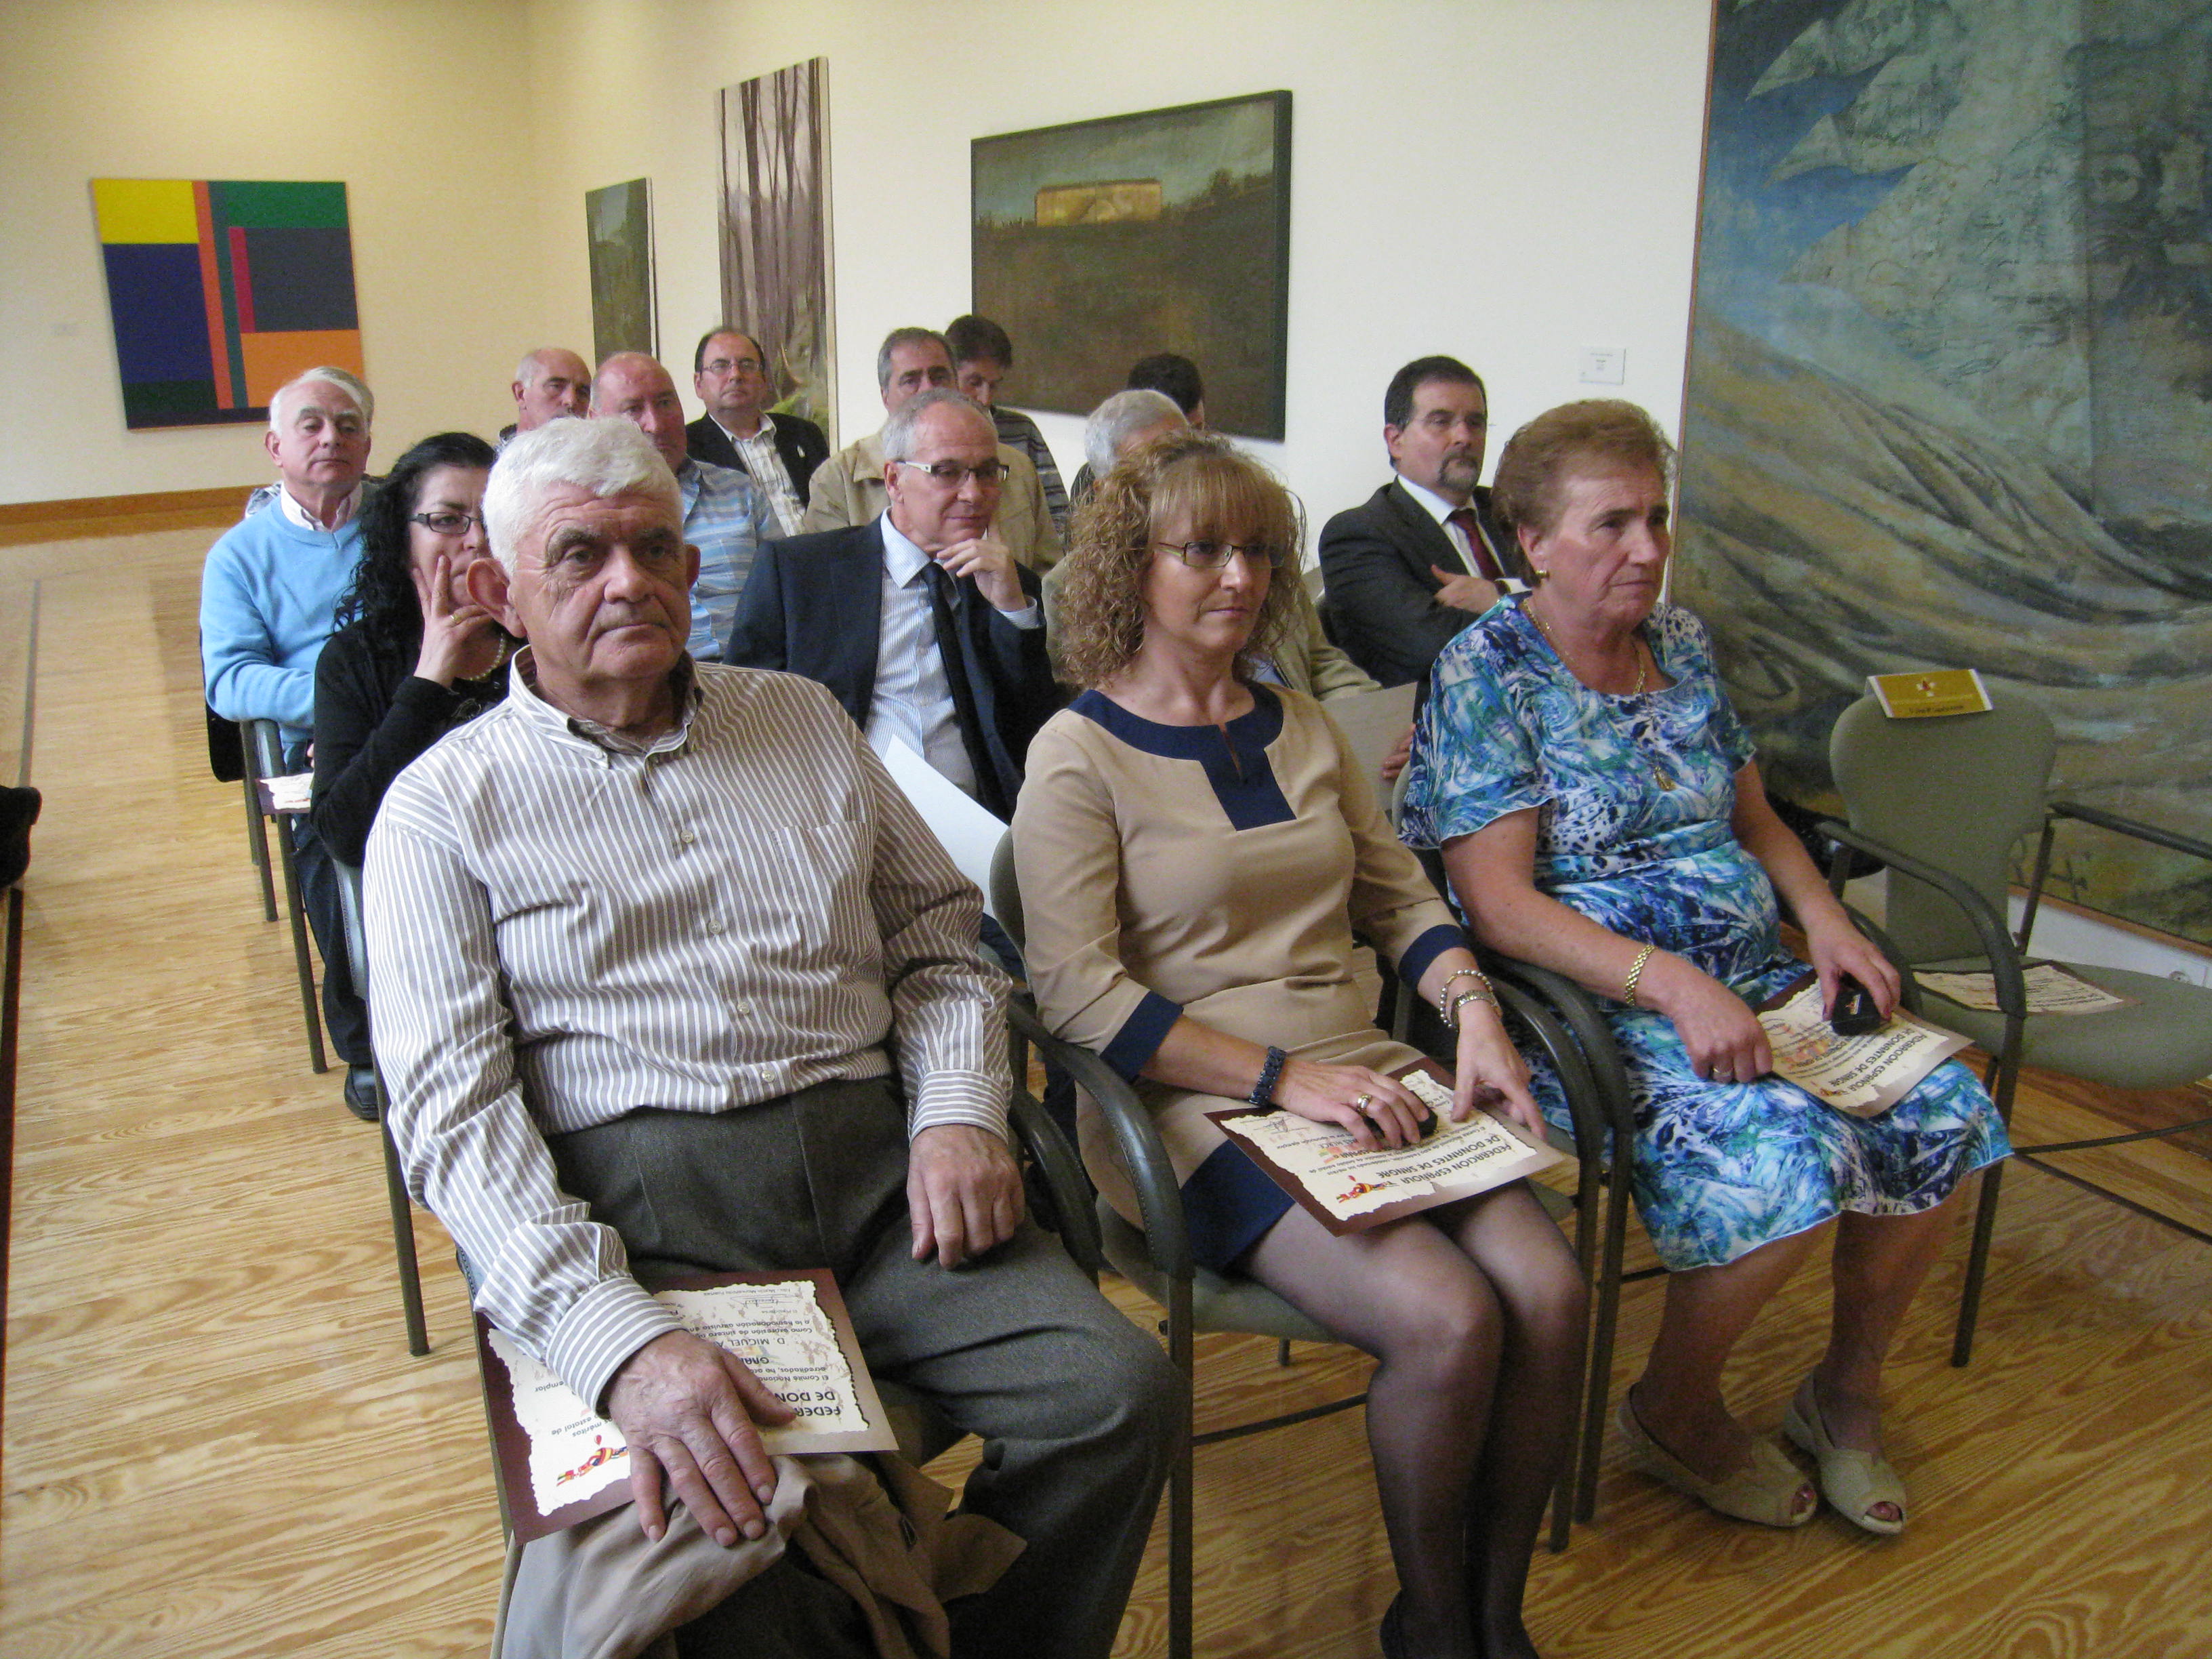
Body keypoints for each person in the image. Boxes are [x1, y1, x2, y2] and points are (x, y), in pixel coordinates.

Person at [364, 417, 1176, 1659]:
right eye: (577, 555)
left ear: (693, 572)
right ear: (504, 592)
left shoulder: (801, 721)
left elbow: (942, 944)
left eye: (653, 548)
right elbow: (456, 1125)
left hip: (882, 1190)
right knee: (731, 1553)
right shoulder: (439, 807)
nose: (626, 580)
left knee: (1116, 1395)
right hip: (652, 1229)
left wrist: (958, 1105)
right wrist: (619, 1344)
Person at [1014, 428, 1584, 1659]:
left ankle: (1496, 1612)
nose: (1235, 576)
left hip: (1359, 1071)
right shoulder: (1077, 752)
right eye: (1199, 550)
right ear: (1133, 566)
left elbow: (1403, 899)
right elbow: (1073, 995)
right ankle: (1430, 1624)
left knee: (1548, 1288)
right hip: (1192, 1100)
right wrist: (1282, 1078)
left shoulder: (1304, 724)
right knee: (1446, 1320)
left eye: (1257, 552)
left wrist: (1473, 1010)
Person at [1399, 398, 2011, 1538]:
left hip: (1751, 983)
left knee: (1942, 1106)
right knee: (1784, 1157)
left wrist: (1823, 919)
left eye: (1655, 518)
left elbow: (1753, 818)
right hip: (1586, 1009)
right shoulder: (1487, 672)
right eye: (1610, 523)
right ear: (1531, 542)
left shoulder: (1677, 646)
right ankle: (1669, 1410)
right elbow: (1497, 903)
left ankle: (1841, 1392)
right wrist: (1672, 984)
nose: (1645, 547)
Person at [726, 389, 1056, 822]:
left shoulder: (1006, 583)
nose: (974, 494)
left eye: (987, 472)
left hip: (971, 825)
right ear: (894, 480)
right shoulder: (799, 574)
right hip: (838, 822)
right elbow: (743, 716)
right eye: (947, 472)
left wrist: (1012, 610)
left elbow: (1030, 732)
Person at [201, 365, 377, 1114]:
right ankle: (368, 1043)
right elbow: (232, 682)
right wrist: (339, 707)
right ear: (276, 446)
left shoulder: (408, 525)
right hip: (324, 741)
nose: (329, 438)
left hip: (418, 712)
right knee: (337, 860)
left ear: (369, 442)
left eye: (347, 424)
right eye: (311, 424)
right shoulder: (238, 556)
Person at [1050, 392, 1378, 704]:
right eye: (1151, 471)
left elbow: (1319, 659)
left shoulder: (1259, 553)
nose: (1240, 577)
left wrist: (1370, 719)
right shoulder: (1069, 587)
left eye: (1187, 452)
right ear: (1108, 493)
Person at [310, 431, 510, 872]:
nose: (477, 539)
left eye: (492, 519)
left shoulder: (544, 639)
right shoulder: (355, 659)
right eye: (447, 519)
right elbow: (344, 835)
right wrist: (427, 682)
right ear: (403, 541)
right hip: (419, 883)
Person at [1319, 356, 1518, 689]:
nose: (1464, 437)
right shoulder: (1359, 534)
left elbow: (1586, 596)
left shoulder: (1512, 510)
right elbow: (1436, 649)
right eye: (1441, 422)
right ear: (1395, 440)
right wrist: (1522, 604)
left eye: (1476, 422)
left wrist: (1499, 597)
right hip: (1441, 726)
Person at [802, 327, 1059, 569]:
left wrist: (1017, 606)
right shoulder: (838, 480)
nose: (928, 389)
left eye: (939, 376)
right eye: (911, 380)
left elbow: (1049, 575)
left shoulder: (1016, 467)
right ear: (885, 396)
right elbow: (830, 588)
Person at [591, 352, 777, 660]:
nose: (656, 424)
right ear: (596, 421)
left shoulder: (739, 491)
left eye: (665, 403)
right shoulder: (588, 512)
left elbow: (788, 595)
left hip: (755, 676)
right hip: (655, 681)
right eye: (633, 409)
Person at [685, 326, 829, 535]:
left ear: (763, 381)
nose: (735, 375)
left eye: (747, 365)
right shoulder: (687, 448)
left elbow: (831, 508)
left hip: (819, 557)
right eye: (721, 366)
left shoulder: (803, 433)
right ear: (699, 384)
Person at [947, 313, 1069, 533]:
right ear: (949, 376)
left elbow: (1060, 518)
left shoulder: (1022, 431)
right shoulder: (927, 435)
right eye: (975, 383)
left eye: (993, 386)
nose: (985, 398)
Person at [1067, 352, 1208, 507]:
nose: (1191, 454)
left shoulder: (1220, 480)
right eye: (1163, 451)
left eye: (1196, 431)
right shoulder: (1094, 479)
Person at [506, 347, 591, 440]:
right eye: (556, 387)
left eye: (583, 392)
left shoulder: (598, 453)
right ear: (521, 394)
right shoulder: (492, 454)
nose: (571, 400)